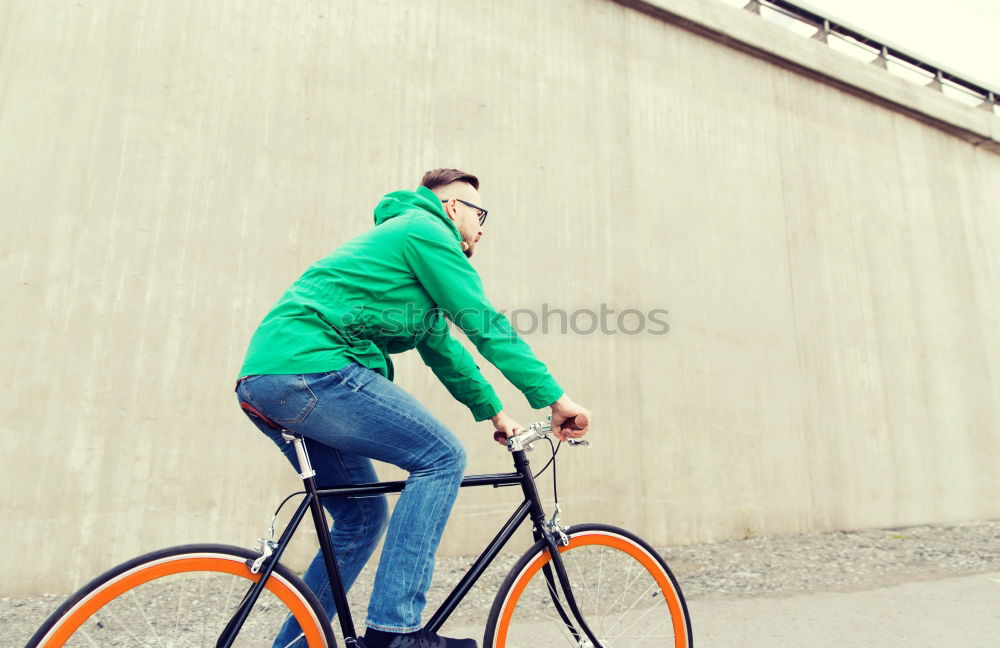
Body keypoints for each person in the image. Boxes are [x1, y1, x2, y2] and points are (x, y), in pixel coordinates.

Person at [235, 168, 591, 648]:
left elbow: (444, 348)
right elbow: (483, 322)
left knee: (362, 519)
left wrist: (495, 413)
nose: (483, 228)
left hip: (272, 378)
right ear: (451, 208)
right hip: (312, 369)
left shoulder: (405, 255)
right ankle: (394, 632)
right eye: (479, 214)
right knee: (442, 457)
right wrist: (557, 400)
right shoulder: (425, 231)